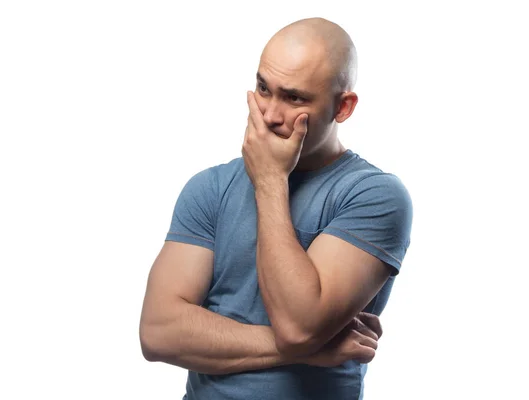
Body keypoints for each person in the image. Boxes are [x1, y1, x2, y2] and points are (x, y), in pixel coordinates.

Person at [139, 17, 413, 400]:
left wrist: (270, 182)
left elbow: (298, 326)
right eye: (263, 89)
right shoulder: (211, 187)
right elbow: (158, 332)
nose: (269, 114)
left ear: (343, 106)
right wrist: (311, 349)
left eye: (294, 98)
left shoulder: (374, 196)